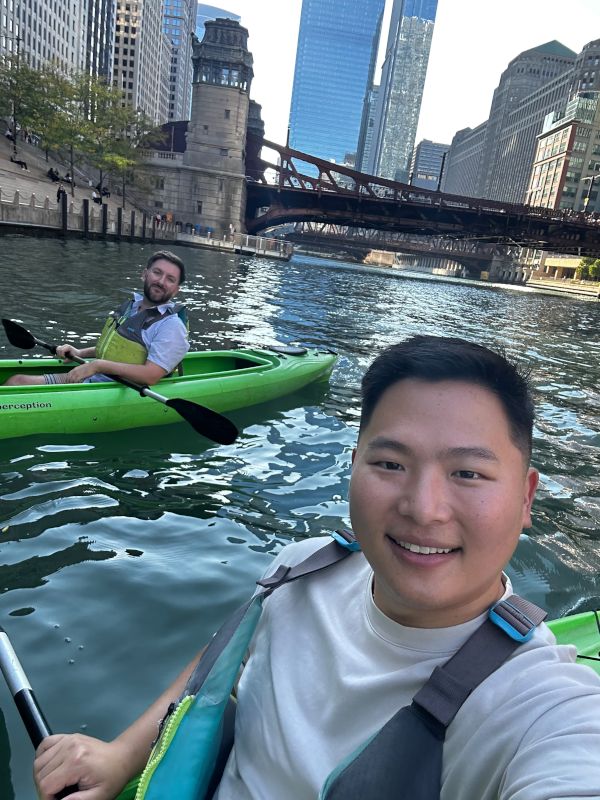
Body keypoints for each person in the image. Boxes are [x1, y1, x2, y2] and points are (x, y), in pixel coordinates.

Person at [33, 337, 600, 800]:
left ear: (526, 499)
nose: (423, 508)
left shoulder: (543, 705)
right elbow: (222, 661)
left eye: (468, 474)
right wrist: (121, 753)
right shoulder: (301, 569)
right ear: (353, 468)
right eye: (390, 463)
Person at [5, 251, 189, 388]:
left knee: (16, 383)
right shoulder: (132, 307)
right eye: (157, 273)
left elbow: (150, 376)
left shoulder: (171, 326)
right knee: (17, 380)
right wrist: (80, 352)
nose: (161, 281)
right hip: (96, 379)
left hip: (117, 389)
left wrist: (98, 366)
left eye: (170, 279)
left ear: (176, 290)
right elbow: (119, 349)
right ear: (145, 274)